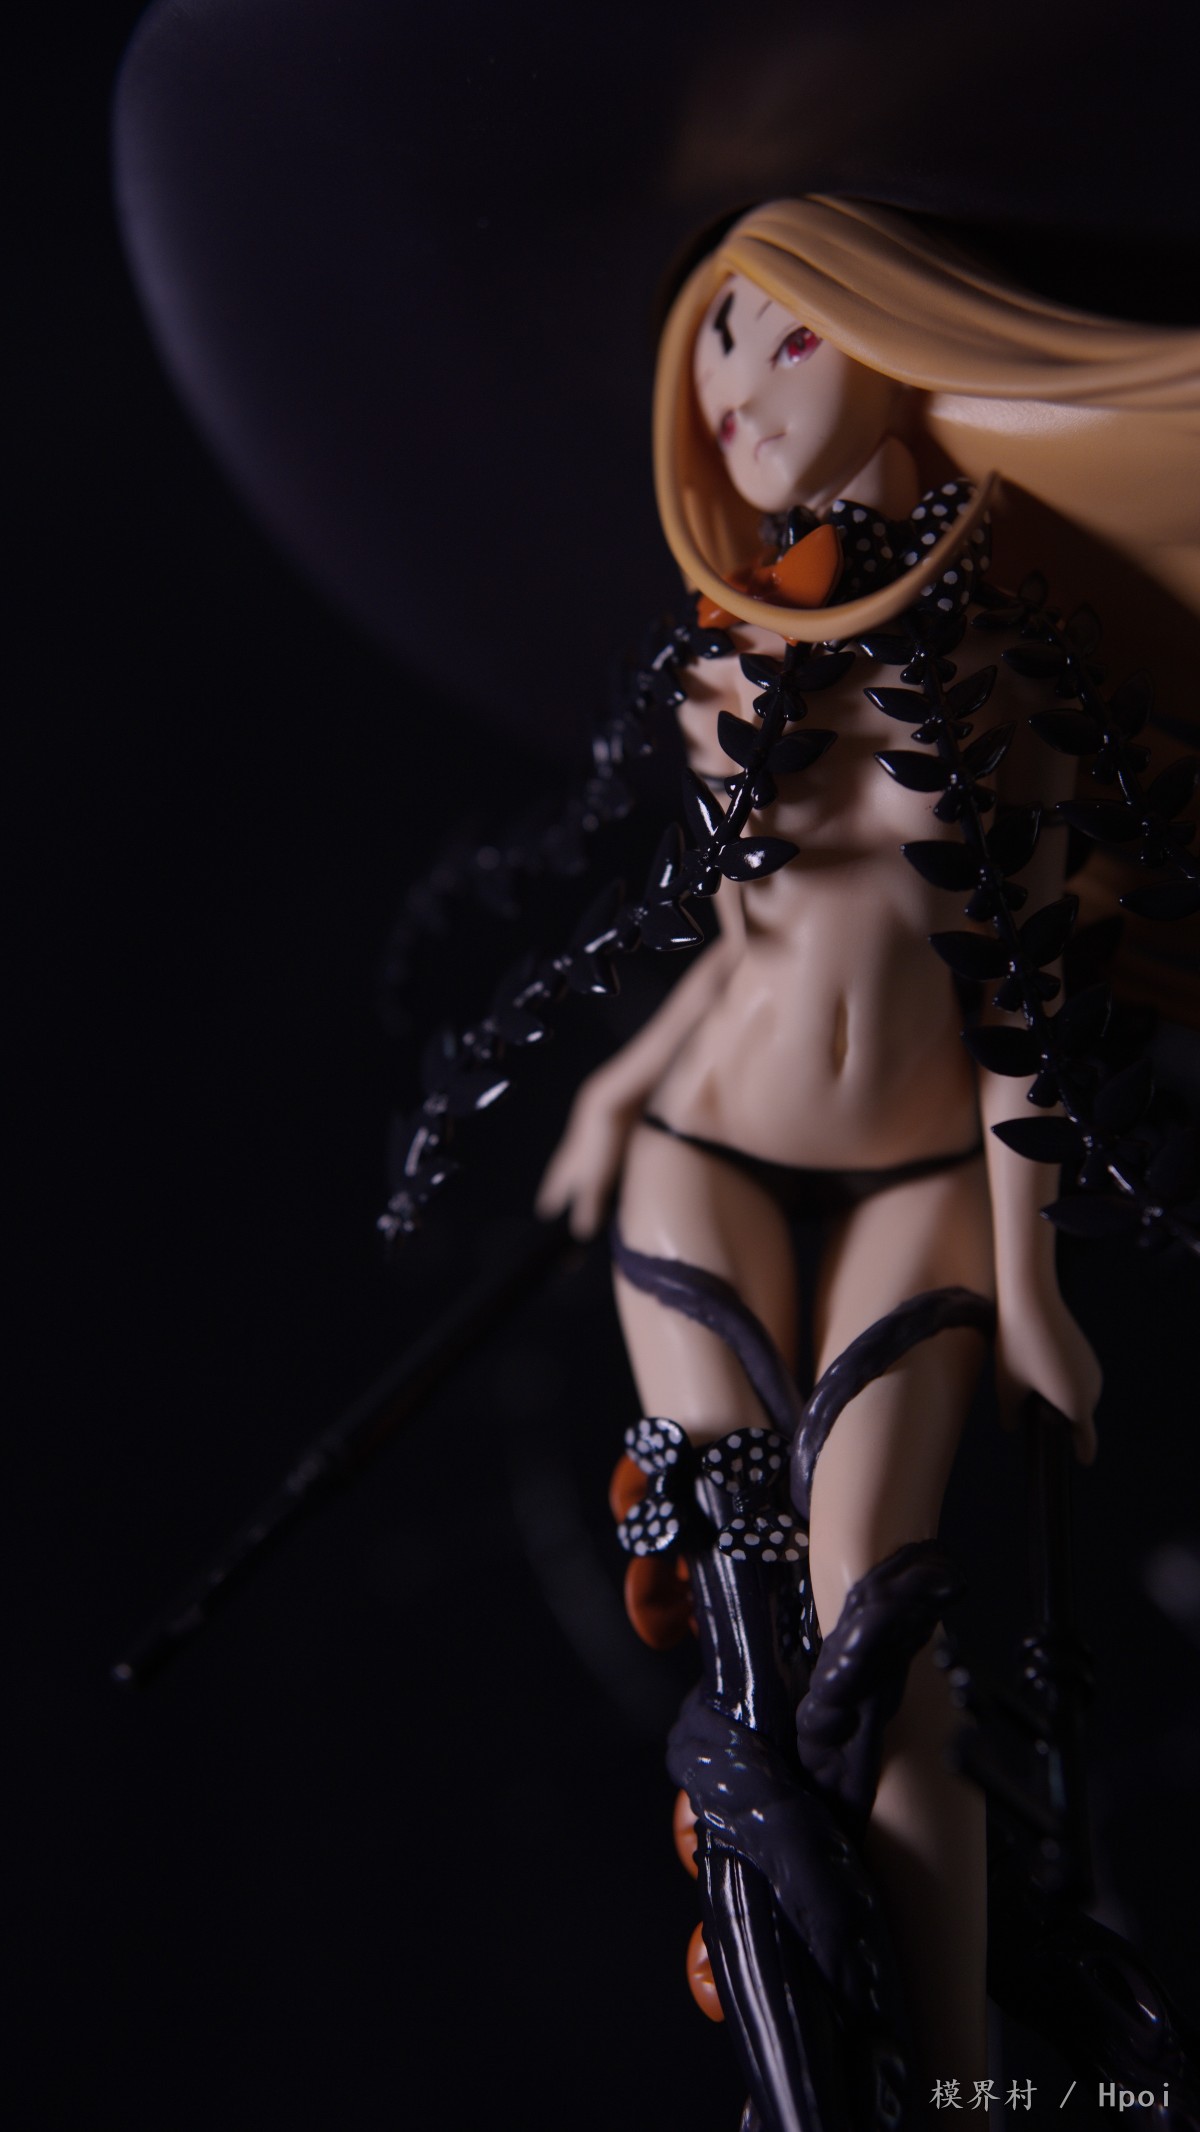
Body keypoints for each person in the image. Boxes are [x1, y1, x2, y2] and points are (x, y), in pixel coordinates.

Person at [536, 197, 1200, 2116]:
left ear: (895, 333)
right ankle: (810, 2084)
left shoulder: (1009, 659)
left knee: (883, 1622)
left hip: (925, 1176)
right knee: (756, 1630)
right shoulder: (728, 642)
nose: (736, 394)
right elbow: (744, 940)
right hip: (706, 1146)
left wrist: (1036, 1278)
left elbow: (1023, 998)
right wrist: (613, 1085)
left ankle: (951, 2084)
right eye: (713, 347)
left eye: (788, 335)